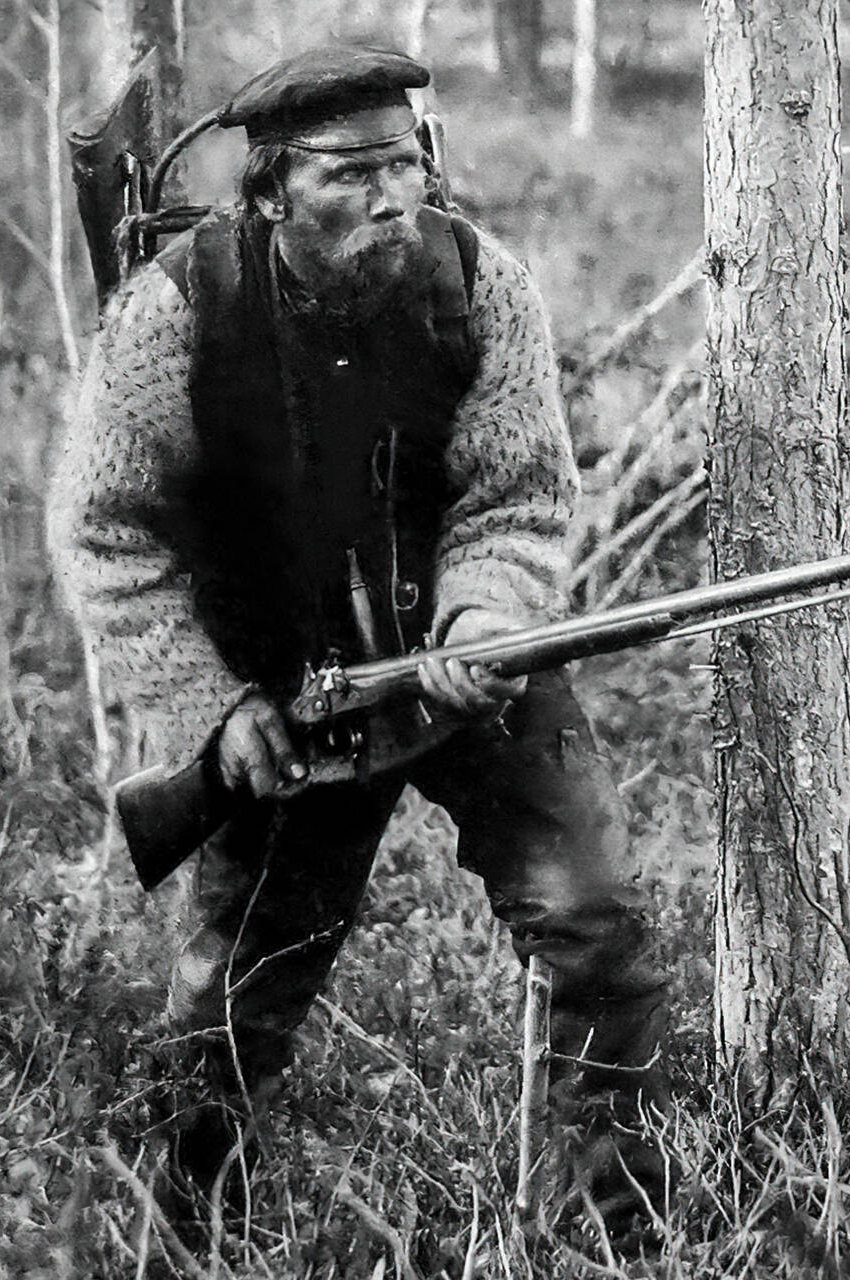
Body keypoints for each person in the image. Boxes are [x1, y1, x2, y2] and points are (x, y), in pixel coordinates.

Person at [48, 45, 670, 1229]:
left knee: (597, 929)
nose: (393, 195)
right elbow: (111, 536)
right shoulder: (180, 309)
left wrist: (483, 617)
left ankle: (606, 1233)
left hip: (464, 676)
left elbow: (518, 495)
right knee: (226, 1012)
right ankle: (183, 1236)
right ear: (273, 189)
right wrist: (212, 712)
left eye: (406, 163)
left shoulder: (482, 284)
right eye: (352, 173)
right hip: (287, 708)